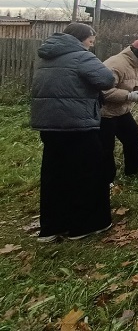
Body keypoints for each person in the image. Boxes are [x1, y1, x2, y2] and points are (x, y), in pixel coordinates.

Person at [30, 23, 116, 241]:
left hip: (49, 124)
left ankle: (51, 227)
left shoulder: (47, 56)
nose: (91, 45)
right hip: (78, 125)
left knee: (55, 175)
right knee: (88, 173)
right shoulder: (81, 56)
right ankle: (85, 225)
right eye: (90, 41)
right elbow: (107, 80)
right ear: (81, 39)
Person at [100, 38, 138, 183]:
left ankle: (134, 171)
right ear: (137, 52)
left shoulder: (137, 64)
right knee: (106, 147)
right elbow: (103, 92)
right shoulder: (115, 65)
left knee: (132, 138)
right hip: (105, 113)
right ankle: (106, 180)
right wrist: (129, 96)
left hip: (122, 110)